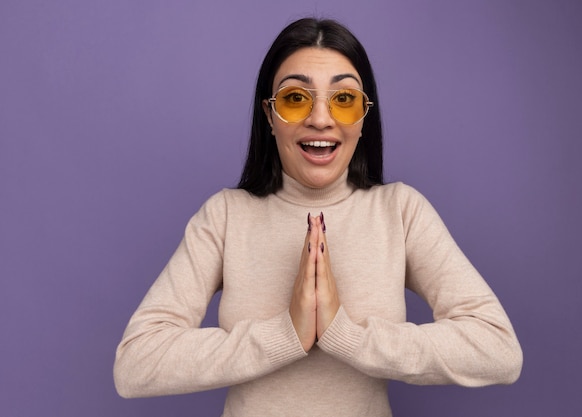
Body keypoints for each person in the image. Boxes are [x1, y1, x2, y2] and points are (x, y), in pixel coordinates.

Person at [114, 17, 522, 416]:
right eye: (296, 99)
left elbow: (498, 349)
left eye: (344, 100)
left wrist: (345, 335)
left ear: (363, 118)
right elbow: (135, 364)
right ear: (269, 116)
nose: (321, 119)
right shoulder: (224, 216)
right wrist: (285, 334)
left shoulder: (399, 211)